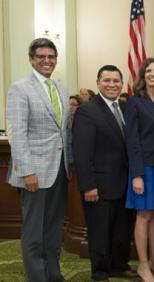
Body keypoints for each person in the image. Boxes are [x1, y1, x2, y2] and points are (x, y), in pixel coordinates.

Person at [6, 37, 71, 282]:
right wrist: (27, 171)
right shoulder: (20, 88)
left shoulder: (61, 89)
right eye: (41, 56)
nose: (47, 61)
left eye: (51, 57)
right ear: (31, 59)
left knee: (54, 229)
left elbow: (65, 132)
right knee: (34, 232)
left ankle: (53, 273)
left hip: (59, 171)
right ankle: (37, 277)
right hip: (33, 173)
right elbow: (18, 134)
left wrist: (70, 164)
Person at [72, 65, 136, 282]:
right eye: (107, 81)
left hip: (124, 183)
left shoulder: (126, 107)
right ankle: (99, 271)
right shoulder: (87, 110)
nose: (112, 85)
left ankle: (119, 265)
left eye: (116, 81)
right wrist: (88, 185)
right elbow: (81, 152)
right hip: (98, 184)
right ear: (98, 82)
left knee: (122, 229)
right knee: (100, 231)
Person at [125, 58, 154, 282]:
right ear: (143, 75)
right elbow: (132, 140)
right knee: (143, 214)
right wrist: (136, 174)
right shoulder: (135, 102)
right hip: (143, 167)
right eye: (149, 71)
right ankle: (143, 266)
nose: (153, 74)